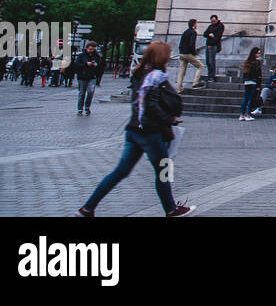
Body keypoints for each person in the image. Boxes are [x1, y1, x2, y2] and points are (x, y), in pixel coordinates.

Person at [76, 41, 194, 217]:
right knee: (163, 170)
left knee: (120, 172)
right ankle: (171, 209)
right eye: (168, 54)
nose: (170, 57)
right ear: (162, 57)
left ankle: (88, 208)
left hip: (133, 131)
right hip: (150, 132)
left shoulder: (140, 73)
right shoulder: (155, 76)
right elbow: (151, 105)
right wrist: (170, 118)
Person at [73, 41, 104, 116]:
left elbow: (101, 67)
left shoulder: (97, 56)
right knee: (82, 93)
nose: (91, 51)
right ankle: (80, 109)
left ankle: (87, 107)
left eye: (93, 49)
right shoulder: (81, 56)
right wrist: (86, 64)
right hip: (82, 77)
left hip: (92, 77)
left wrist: (96, 65)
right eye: (90, 49)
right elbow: (77, 66)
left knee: (90, 92)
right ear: (87, 48)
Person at [176, 18, 206, 89]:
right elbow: (191, 44)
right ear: (194, 24)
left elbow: (181, 43)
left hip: (182, 53)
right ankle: (195, 83)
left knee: (182, 71)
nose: (197, 25)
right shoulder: (193, 32)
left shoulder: (185, 32)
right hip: (188, 53)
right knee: (200, 66)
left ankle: (179, 88)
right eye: (196, 23)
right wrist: (194, 53)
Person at [238, 47, 263, 121]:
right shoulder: (256, 62)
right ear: (255, 54)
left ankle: (241, 115)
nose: (259, 54)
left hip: (247, 82)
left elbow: (245, 73)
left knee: (245, 98)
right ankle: (248, 115)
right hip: (253, 82)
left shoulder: (247, 61)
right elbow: (258, 74)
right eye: (258, 53)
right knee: (250, 99)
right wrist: (258, 85)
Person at [203, 14, 224, 82]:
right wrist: (210, 35)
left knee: (211, 61)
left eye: (214, 21)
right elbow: (205, 34)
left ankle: (212, 77)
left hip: (214, 45)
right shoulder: (210, 26)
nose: (213, 22)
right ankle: (209, 75)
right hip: (208, 45)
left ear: (217, 20)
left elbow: (217, 37)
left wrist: (211, 38)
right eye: (211, 21)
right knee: (207, 61)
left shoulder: (220, 26)